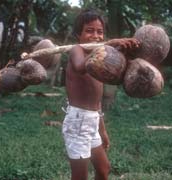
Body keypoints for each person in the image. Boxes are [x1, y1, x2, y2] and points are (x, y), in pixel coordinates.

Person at [62, 9, 140, 180]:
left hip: (92, 121)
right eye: (89, 31)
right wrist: (109, 44)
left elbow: (96, 103)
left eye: (100, 32)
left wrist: (102, 130)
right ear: (78, 35)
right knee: (79, 176)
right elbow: (81, 67)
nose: (96, 36)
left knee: (104, 169)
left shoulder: (102, 61)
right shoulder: (77, 50)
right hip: (78, 123)